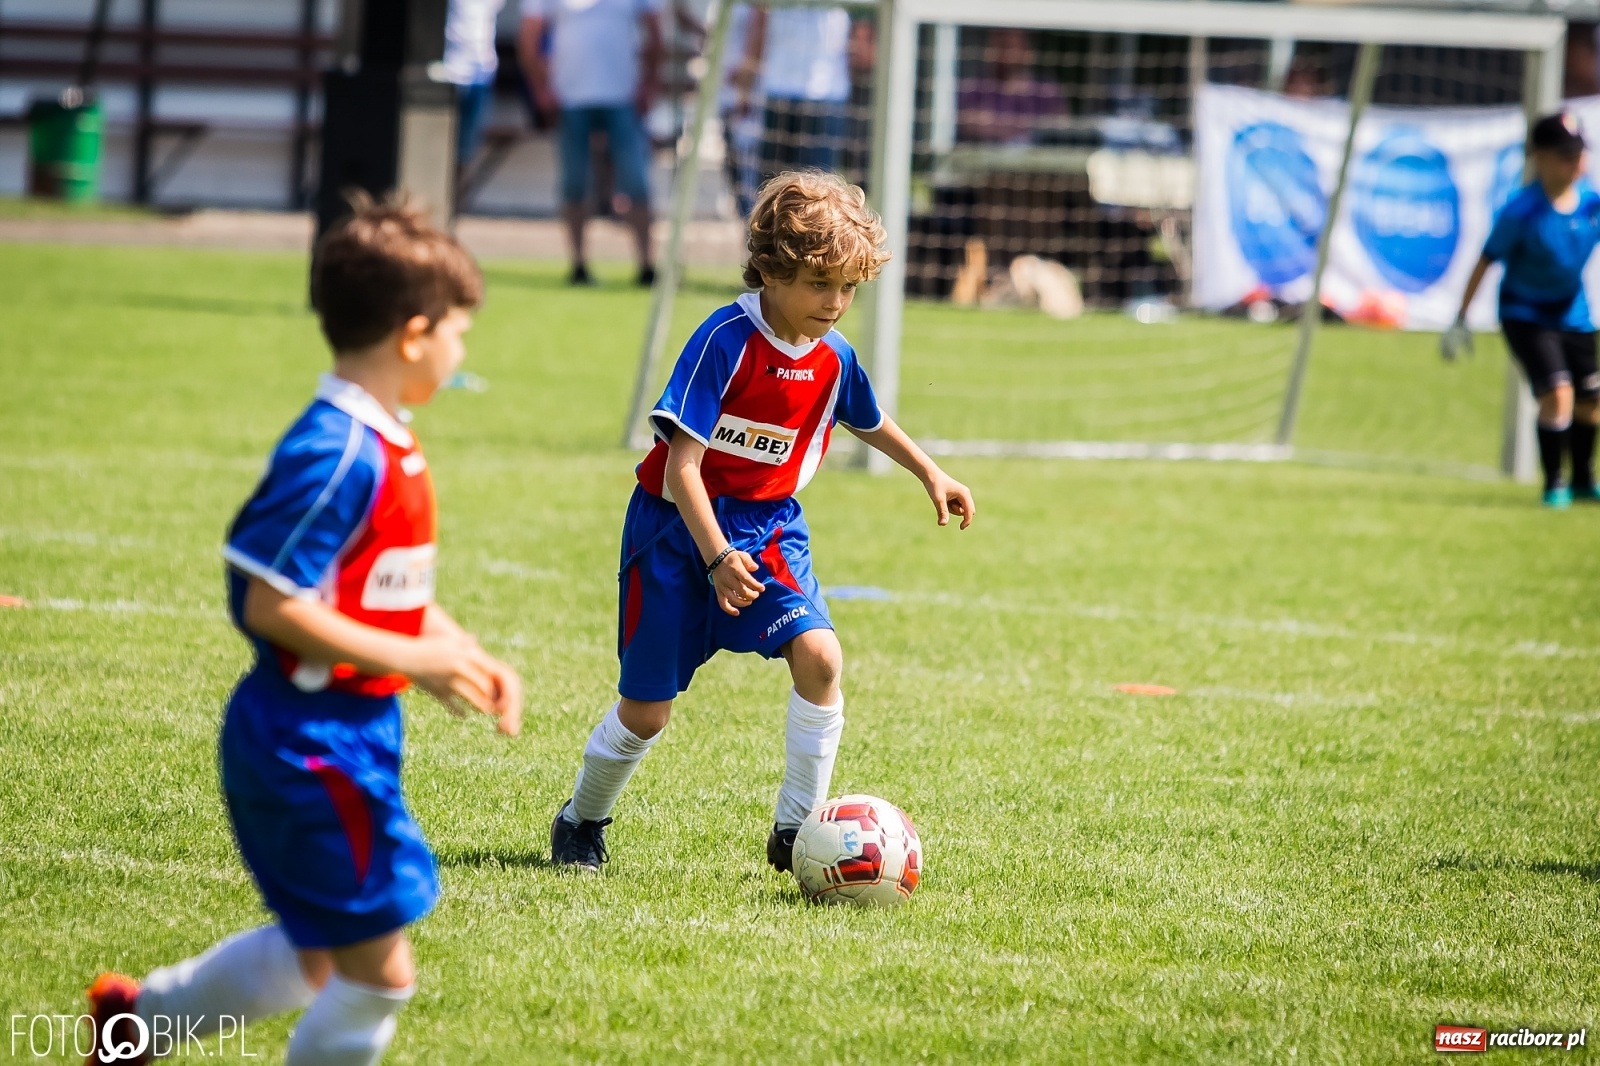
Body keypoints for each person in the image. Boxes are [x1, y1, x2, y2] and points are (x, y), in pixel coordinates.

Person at [80, 198, 523, 1066]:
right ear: (414, 334)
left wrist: (457, 645)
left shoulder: (389, 440)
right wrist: (416, 658)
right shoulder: (338, 451)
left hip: (350, 736)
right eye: (460, 334)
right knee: (381, 973)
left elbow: (373, 591)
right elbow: (268, 602)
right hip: (306, 746)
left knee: (319, 957)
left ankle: (130, 1026)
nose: (464, 353)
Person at [546, 171, 976, 873]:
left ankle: (798, 831)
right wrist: (715, 557)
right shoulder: (724, 340)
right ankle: (581, 822)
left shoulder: (833, 357)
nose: (835, 303)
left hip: (771, 529)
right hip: (674, 533)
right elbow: (682, 466)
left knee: (821, 658)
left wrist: (931, 471)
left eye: (848, 288)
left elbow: (867, 418)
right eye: (818, 284)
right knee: (646, 714)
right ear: (772, 270)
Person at [1446, 112, 1600, 508]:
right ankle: (1555, 483)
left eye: (1578, 153)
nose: (1574, 162)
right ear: (1540, 158)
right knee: (1558, 394)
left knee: (1591, 402)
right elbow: (1485, 260)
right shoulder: (1522, 211)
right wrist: (1461, 318)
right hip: (1526, 313)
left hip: (1574, 313)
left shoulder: (1591, 205)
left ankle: (1584, 479)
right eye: (1564, 154)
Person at [518, 0, 664, 287]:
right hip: (570, 100)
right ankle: (578, 266)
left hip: (623, 99)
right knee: (574, 185)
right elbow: (529, 37)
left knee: (636, 183)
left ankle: (647, 266)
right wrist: (541, 89)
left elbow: (656, 35)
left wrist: (648, 86)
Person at [738, 7, 870, 184]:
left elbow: (863, 38)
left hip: (824, 96)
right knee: (773, 187)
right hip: (781, 91)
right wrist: (745, 90)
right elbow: (760, 25)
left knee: (818, 189)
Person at [443, 0, 507, 177]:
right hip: (450, 71)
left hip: (482, 76)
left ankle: (457, 202)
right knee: (440, 149)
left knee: (466, 154)